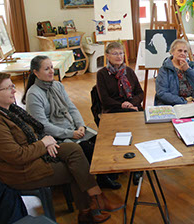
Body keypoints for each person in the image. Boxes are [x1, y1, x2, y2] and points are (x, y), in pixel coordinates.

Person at [0, 72, 123, 224]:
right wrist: (43, 144)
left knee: (73, 149)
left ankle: (95, 201)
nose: (14, 90)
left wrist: (48, 142)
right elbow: (17, 156)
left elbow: (33, 132)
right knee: (75, 169)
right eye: (8, 88)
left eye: (12, 86)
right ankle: (89, 208)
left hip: (34, 154)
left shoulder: (10, 111)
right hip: (20, 171)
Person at [22, 56, 121, 190]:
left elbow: (71, 108)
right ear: (36, 72)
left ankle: (106, 170)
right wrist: (70, 133)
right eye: (46, 69)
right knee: (88, 148)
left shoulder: (57, 85)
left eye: (52, 67)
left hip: (72, 128)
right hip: (55, 136)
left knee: (102, 140)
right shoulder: (33, 94)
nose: (51, 71)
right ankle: (101, 179)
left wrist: (81, 126)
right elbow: (42, 125)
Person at [154, 39, 194, 106]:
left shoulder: (191, 66)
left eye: (185, 51)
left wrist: (188, 70)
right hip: (174, 104)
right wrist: (184, 102)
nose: (183, 53)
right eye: (179, 51)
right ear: (172, 52)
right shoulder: (165, 69)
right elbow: (162, 93)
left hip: (193, 101)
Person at [96, 42, 144, 113]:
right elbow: (104, 99)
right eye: (115, 54)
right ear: (107, 56)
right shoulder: (102, 74)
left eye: (121, 53)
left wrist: (131, 104)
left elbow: (140, 93)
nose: (119, 56)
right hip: (113, 109)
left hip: (133, 106)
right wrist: (122, 105)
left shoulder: (129, 71)